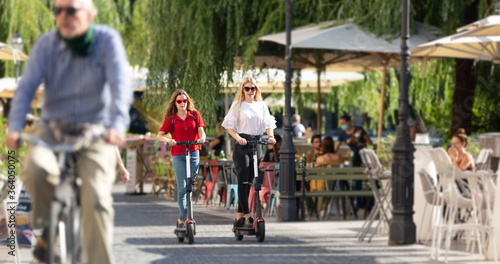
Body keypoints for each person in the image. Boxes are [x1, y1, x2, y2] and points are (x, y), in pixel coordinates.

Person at [5, 0, 132, 263]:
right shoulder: (46, 44)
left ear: (89, 14)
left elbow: (121, 86)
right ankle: (49, 226)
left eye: (70, 10)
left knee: (97, 201)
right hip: (52, 129)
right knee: (36, 169)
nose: (63, 16)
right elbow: (26, 88)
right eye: (58, 10)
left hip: (95, 133)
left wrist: (118, 126)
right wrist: (15, 128)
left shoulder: (107, 41)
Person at [221, 77, 276, 228]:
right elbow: (229, 126)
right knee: (243, 181)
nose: (250, 91)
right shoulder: (238, 105)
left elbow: (268, 123)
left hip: (256, 143)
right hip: (242, 144)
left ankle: (239, 216)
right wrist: (238, 138)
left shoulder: (261, 105)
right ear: (243, 90)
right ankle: (248, 215)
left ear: (256, 90)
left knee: (251, 182)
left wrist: (270, 136)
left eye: (253, 88)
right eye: (247, 88)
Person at [156, 90, 206, 229]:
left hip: (194, 152)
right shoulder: (172, 118)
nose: (182, 103)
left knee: (191, 186)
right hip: (178, 154)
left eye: (185, 101)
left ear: (188, 102)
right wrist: (169, 140)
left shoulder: (195, 115)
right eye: (179, 101)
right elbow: (159, 135)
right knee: (182, 188)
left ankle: (184, 218)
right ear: (175, 103)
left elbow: (201, 129)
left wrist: (202, 138)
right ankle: (185, 218)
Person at [335, 114, 372, 213]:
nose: (342, 125)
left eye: (343, 123)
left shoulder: (359, 129)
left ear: (349, 122)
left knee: (367, 179)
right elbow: (336, 147)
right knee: (357, 180)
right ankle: (358, 204)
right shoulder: (343, 134)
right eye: (341, 124)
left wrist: (361, 144)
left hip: (364, 155)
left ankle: (365, 204)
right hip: (355, 157)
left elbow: (370, 142)